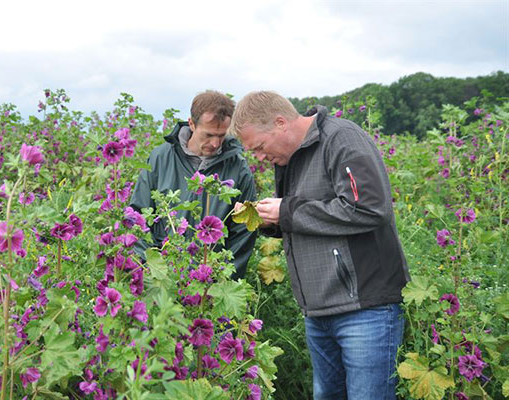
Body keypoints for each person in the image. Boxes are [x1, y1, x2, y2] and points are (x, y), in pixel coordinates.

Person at [230, 91, 410, 399]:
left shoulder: (343, 139)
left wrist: (286, 210)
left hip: (365, 308)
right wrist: (270, 221)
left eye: (259, 147)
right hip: (318, 312)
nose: (259, 157)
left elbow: (369, 208)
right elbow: (310, 219)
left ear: (280, 123)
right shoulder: (290, 155)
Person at [130, 90, 257, 279]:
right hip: (162, 277)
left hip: (210, 282)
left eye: (221, 136)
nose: (215, 144)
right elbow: (138, 216)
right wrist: (149, 270)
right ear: (191, 123)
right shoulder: (160, 158)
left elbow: (243, 235)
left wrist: (219, 280)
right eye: (208, 134)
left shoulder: (238, 168)